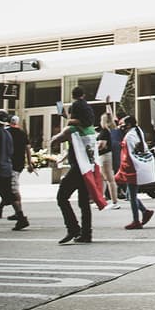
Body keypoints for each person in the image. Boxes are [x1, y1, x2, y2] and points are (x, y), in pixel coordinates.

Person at [50, 86, 97, 244]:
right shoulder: (90, 130)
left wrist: (66, 124)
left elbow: (56, 140)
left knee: (62, 197)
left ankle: (73, 229)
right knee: (84, 202)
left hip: (77, 168)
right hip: (87, 169)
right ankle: (86, 233)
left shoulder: (72, 129)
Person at [0, 115, 34, 227]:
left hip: (8, 164)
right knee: (8, 188)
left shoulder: (4, 132)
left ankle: (18, 214)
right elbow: (28, 149)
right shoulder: (22, 133)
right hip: (18, 164)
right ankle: (3, 209)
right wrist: (29, 163)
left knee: (12, 189)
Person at [114, 115, 155, 229]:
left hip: (133, 167)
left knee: (131, 195)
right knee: (130, 194)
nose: (121, 126)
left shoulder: (129, 137)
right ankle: (145, 211)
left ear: (129, 125)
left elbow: (128, 156)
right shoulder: (138, 132)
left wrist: (124, 170)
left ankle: (136, 220)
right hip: (138, 165)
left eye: (123, 124)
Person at [96, 99, 120, 207]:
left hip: (104, 156)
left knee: (109, 179)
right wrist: (107, 104)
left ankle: (114, 202)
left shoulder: (104, 132)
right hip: (106, 156)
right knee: (103, 179)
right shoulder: (109, 130)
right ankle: (102, 200)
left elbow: (102, 145)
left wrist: (94, 148)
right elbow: (111, 116)